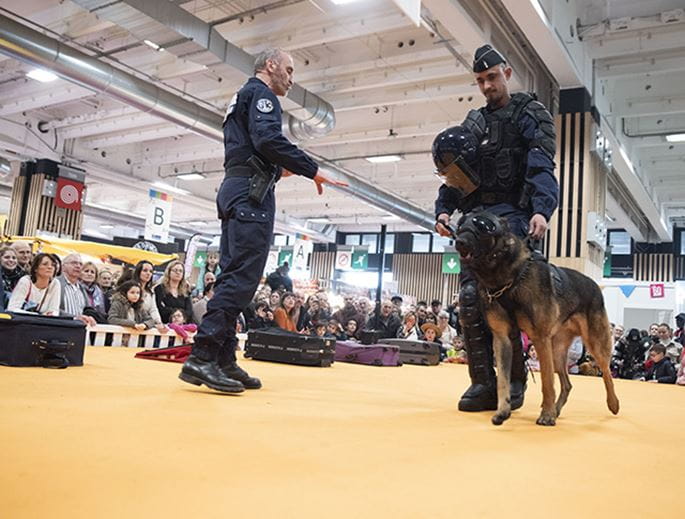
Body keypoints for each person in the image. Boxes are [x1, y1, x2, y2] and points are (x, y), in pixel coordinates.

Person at [179, 47, 345, 393]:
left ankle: (223, 358)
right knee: (241, 279)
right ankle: (203, 356)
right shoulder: (262, 94)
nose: (291, 77)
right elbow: (268, 138)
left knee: (232, 275)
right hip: (250, 197)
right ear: (270, 66)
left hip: (239, 188)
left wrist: (274, 168)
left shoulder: (243, 96)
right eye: (289, 68)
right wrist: (311, 170)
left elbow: (250, 148)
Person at [433, 44, 558, 412]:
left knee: (507, 304)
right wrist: (443, 212)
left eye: (491, 77)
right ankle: (483, 384)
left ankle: (513, 381)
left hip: (513, 222)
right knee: (471, 303)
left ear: (506, 72)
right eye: (480, 80)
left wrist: (541, 210)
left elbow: (541, 167)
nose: (487, 86)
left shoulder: (530, 114)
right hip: (475, 224)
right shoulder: (474, 122)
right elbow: (456, 176)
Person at [57, 253, 97, 326]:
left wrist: (90, 317)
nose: (78, 266)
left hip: (79, 330)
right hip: (60, 327)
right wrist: (74, 318)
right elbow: (52, 309)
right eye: (74, 263)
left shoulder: (82, 288)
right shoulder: (56, 283)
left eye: (80, 264)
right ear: (63, 267)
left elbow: (87, 310)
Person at [130, 261, 166, 332]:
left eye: (151, 271)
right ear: (138, 272)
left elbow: (153, 309)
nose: (148, 273)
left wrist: (159, 322)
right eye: (145, 270)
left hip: (145, 325)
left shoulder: (151, 292)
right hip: (132, 324)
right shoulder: (130, 287)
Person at [154, 260, 194, 324]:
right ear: (169, 272)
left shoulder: (186, 290)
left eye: (181, 271)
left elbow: (189, 311)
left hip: (182, 326)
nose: (178, 273)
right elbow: (160, 308)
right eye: (175, 270)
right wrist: (178, 314)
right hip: (164, 325)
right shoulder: (159, 289)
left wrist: (179, 316)